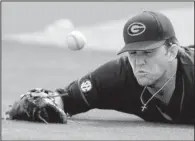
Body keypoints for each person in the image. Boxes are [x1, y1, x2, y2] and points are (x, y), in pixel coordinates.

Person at [6, 11, 194, 124]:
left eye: (148, 52)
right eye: (133, 53)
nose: (139, 62)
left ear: (171, 52)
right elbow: (66, 99)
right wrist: (42, 105)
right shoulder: (118, 76)